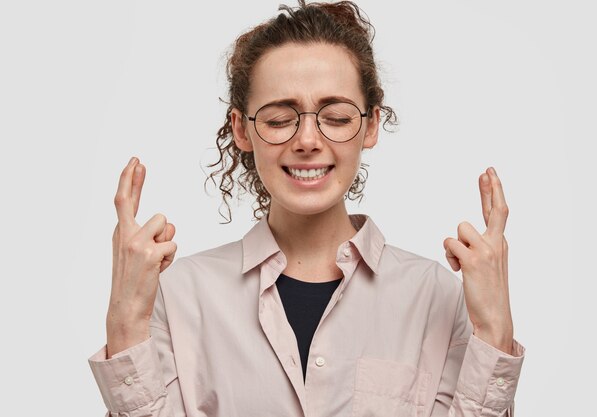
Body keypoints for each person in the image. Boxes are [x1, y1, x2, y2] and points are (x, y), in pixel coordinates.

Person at [88, 1, 525, 416]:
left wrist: (495, 332)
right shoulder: (179, 296)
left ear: (370, 125)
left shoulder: (437, 297)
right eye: (280, 118)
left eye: (335, 116)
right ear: (242, 129)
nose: (308, 140)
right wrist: (125, 322)